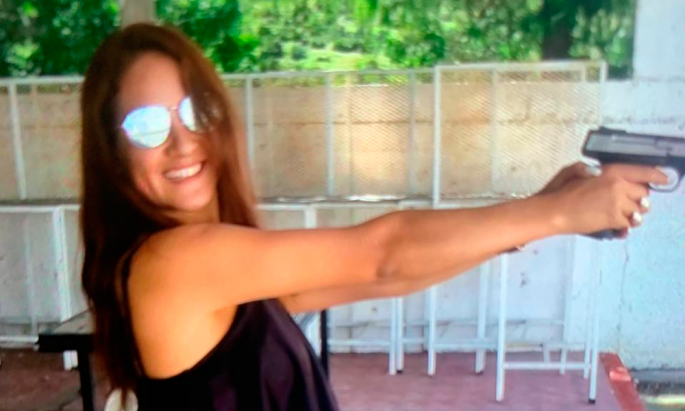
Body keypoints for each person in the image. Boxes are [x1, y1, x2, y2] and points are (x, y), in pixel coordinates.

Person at [79, 23, 667, 411]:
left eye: (194, 110)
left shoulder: (218, 275)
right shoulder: (173, 264)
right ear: (112, 151)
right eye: (145, 126)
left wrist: (536, 217)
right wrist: (555, 214)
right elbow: (382, 254)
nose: (182, 141)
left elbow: (388, 277)